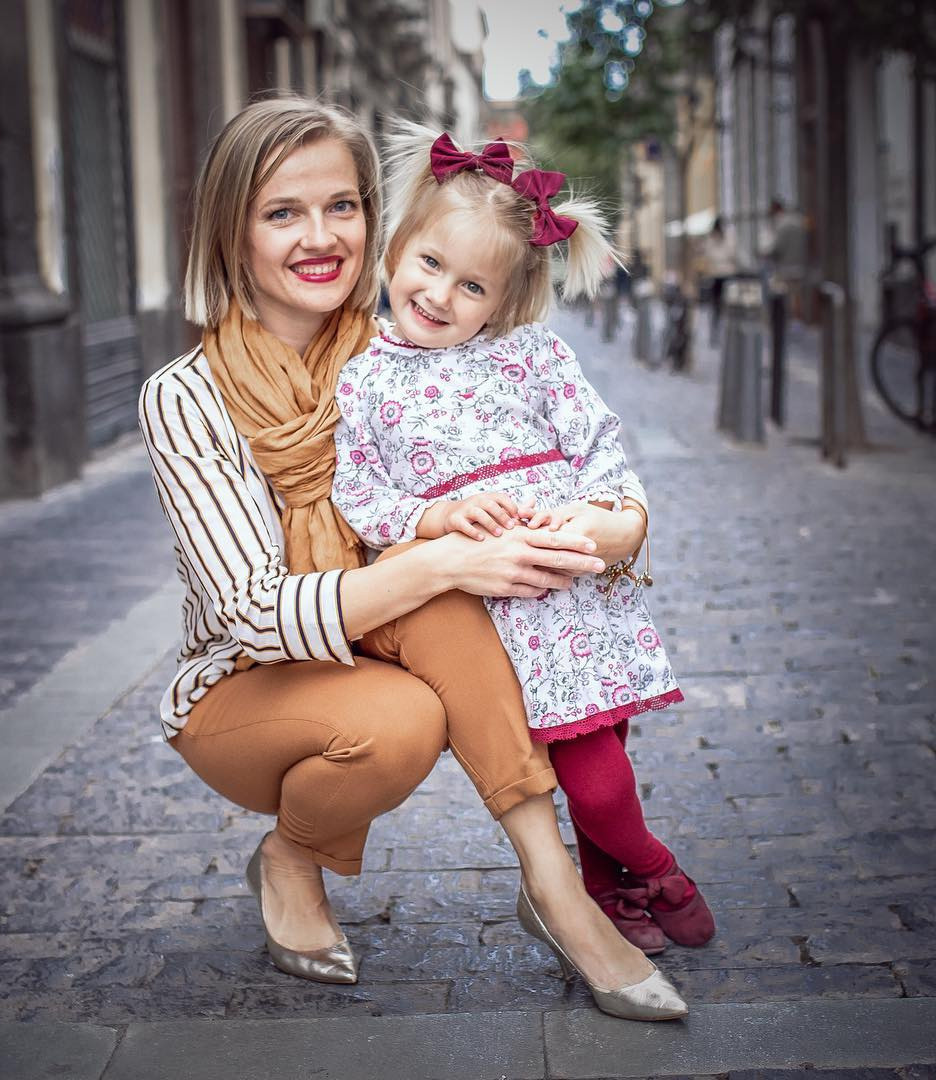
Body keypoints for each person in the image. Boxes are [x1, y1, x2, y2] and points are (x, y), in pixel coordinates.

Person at [139, 96, 687, 1021]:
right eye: (283, 212)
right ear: (233, 229)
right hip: (248, 682)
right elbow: (249, 610)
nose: (321, 237)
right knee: (407, 687)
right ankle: (291, 856)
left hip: (399, 642)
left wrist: (618, 522)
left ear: (375, 219)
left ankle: (551, 887)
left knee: (437, 593)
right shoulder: (186, 398)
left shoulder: (411, 341)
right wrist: (442, 558)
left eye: (342, 206)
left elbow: (554, 447)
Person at [332, 124, 715, 968]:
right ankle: (647, 871)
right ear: (397, 249)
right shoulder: (363, 378)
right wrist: (429, 520)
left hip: (572, 591)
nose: (439, 295)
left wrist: (595, 513)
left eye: (471, 286)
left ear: (500, 302)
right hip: (491, 611)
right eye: (429, 265)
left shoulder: (530, 354)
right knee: (581, 771)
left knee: (604, 758)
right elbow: (356, 493)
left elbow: (598, 443)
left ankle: (626, 881)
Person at [702, 216, 735, 343]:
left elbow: (732, 254)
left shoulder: (729, 238)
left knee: (726, 305)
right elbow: (709, 255)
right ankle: (715, 333)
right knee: (716, 305)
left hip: (727, 276)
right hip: (716, 276)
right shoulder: (711, 240)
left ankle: (726, 333)